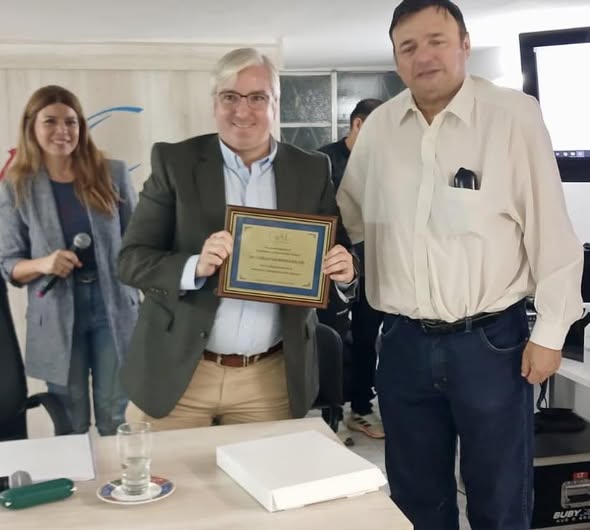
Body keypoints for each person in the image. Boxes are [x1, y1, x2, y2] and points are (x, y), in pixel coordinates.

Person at [336, 1, 584, 529]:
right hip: (401, 344)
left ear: (464, 45)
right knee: (415, 500)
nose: (423, 56)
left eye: (437, 41)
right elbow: (351, 222)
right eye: (408, 47)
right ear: (397, 59)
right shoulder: (379, 129)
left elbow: (551, 229)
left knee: (499, 498)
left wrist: (552, 331)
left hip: (491, 346)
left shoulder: (513, 116)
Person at [117, 47, 356, 431]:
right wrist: (194, 265)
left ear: (275, 103)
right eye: (230, 96)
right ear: (215, 102)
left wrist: (345, 272)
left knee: (259, 473)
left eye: (257, 97)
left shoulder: (311, 169)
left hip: (269, 379)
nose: (242, 111)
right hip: (180, 374)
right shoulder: (175, 162)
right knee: (167, 473)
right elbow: (131, 260)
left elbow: (336, 248)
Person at [0, 85, 139, 436]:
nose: (62, 131)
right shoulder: (17, 186)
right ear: (31, 126)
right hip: (56, 312)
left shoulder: (113, 173)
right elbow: (9, 264)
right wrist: (43, 264)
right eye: (50, 121)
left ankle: (114, 474)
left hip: (113, 307)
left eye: (71, 122)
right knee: (70, 421)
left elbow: (138, 245)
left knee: (113, 415)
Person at [318, 99, 385, 440]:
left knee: (366, 338)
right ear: (357, 124)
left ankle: (360, 408)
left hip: (372, 266)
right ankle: (327, 412)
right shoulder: (322, 161)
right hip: (328, 271)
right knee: (330, 340)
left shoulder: (383, 163)